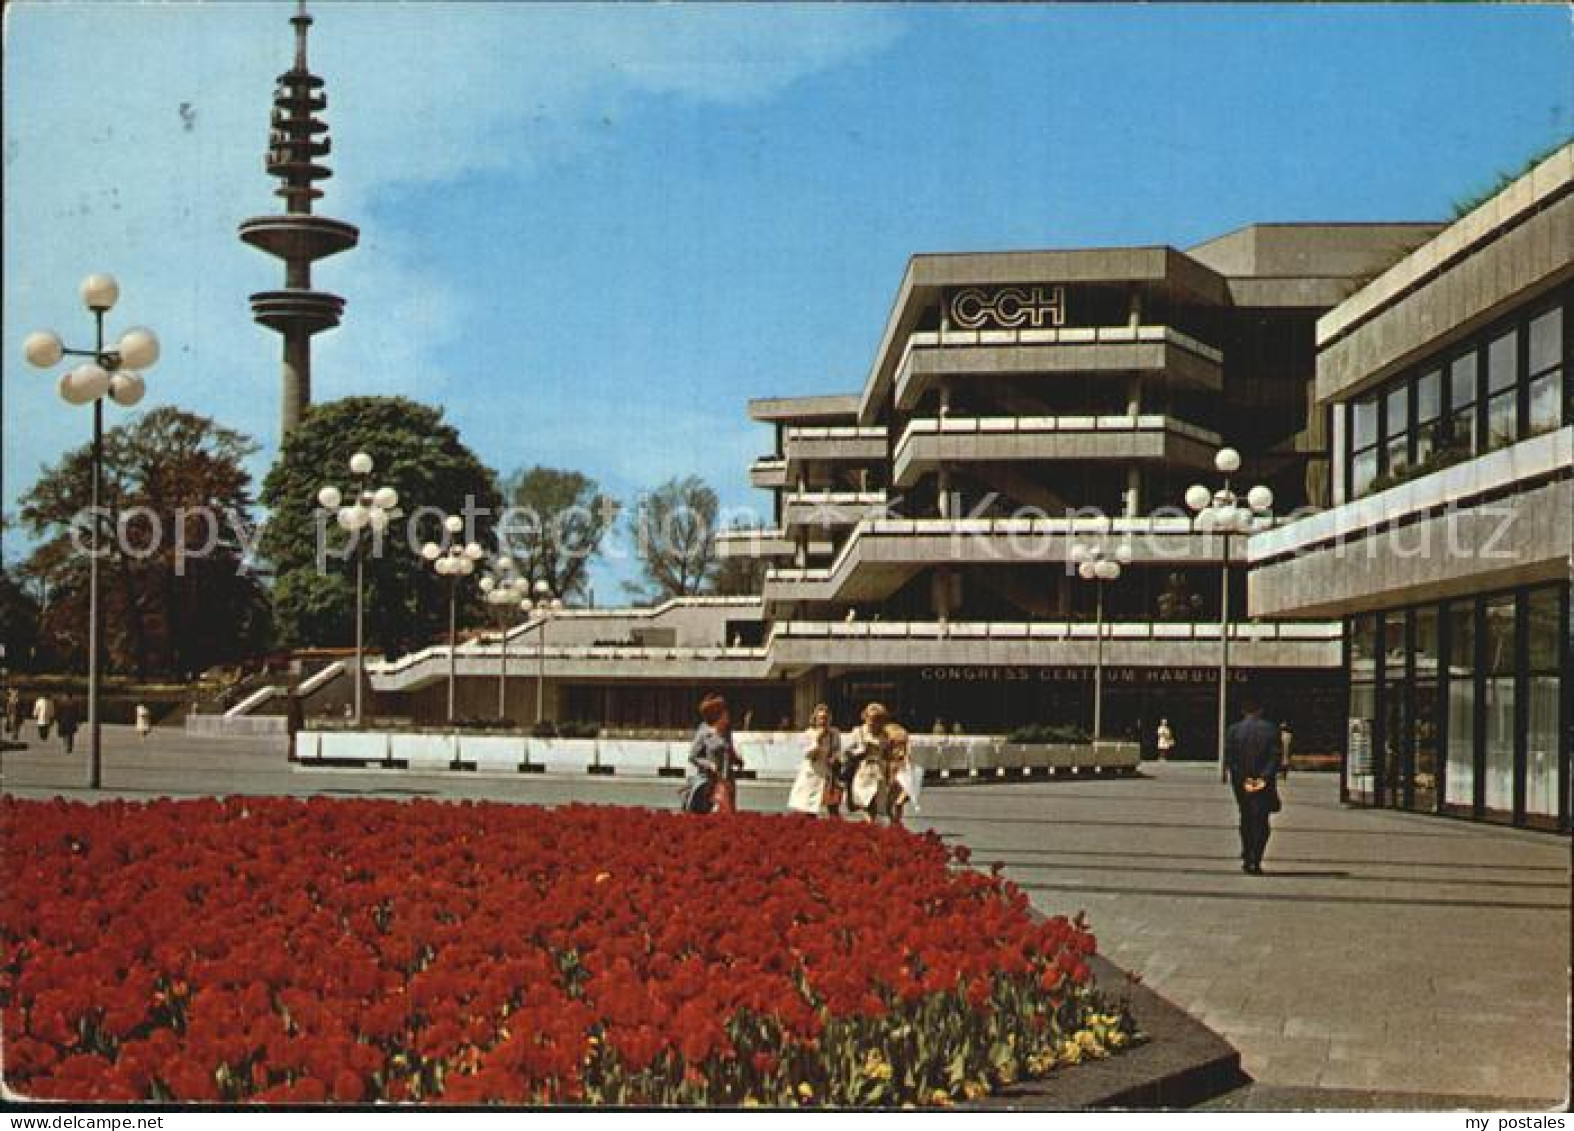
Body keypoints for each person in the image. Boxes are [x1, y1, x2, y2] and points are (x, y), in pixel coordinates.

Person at [1225, 695, 1282, 875]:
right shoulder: (1271, 730)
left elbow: (1230, 758)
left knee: (1246, 817)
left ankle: (1247, 853)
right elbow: (1275, 757)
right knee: (1261, 821)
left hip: (1242, 783)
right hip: (1263, 784)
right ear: (1260, 710)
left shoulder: (1233, 730)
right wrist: (1263, 778)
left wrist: (1244, 778)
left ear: (1243, 711)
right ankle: (1255, 859)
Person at [681, 694, 743, 814]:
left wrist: (736, 759)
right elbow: (693, 756)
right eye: (724, 713)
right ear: (716, 715)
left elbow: (728, 749)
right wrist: (709, 764)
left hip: (727, 778)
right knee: (713, 809)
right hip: (710, 779)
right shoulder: (704, 731)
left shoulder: (726, 730)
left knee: (728, 810)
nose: (727, 716)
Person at [787, 703, 840, 816]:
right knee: (810, 807)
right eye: (821, 718)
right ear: (815, 718)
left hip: (828, 774)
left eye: (826, 718)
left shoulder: (834, 733)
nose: (823, 721)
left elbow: (837, 750)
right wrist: (817, 739)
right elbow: (807, 753)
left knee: (833, 807)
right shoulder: (806, 734)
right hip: (812, 774)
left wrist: (835, 757)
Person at [842, 702, 890, 818]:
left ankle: (871, 827)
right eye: (871, 718)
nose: (873, 722)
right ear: (865, 717)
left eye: (878, 719)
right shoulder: (858, 732)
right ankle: (869, 826)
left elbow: (886, 754)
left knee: (874, 804)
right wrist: (861, 751)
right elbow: (846, 752)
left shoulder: (885, 734)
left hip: (878, 771)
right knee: (866, 801)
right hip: (862, 770)